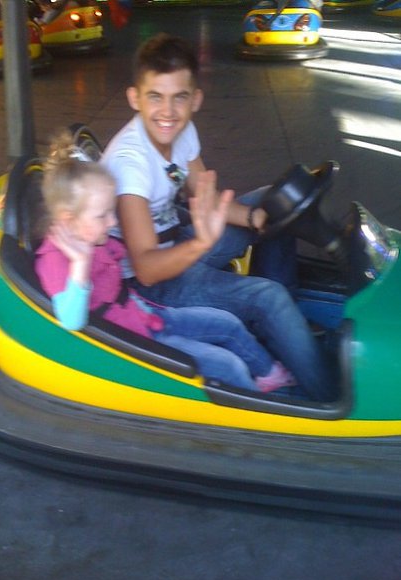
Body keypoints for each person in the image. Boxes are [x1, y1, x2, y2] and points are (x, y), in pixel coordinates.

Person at [101, 32, 336, 403]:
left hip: (180, 242)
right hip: (148, 286)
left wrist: (257, 216)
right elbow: (146, 269)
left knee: (272, 202)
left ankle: (281, 329)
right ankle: (328, 401)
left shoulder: (180, 132)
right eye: (155, 97)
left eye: (179, 97)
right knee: (268, 297)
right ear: (135, 98)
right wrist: (200, 244)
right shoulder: (129, 163)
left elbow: (204, 196)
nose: (167, 111)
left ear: (195, 99)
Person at [34, 130, 297, 394]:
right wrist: (80, 264)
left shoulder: (91, 237)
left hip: (147, 316)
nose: (112, 222)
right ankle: (259, 412)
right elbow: (71, 320)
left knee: (227, 323)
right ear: (68, 219)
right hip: (133, 344)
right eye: (102, 216)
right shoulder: (57, 261)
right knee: (227, 365)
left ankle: (270, 375)